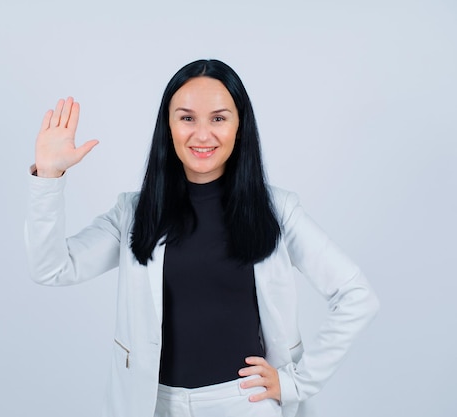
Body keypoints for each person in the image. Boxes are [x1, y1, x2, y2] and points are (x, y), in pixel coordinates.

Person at [25, 59, 379, 417]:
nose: (202, 134)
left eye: (219, 118)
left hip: (243, 403)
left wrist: (297, 382)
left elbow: (356, 296)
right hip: (152, 405)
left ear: (239, 126)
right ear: (169, 126)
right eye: (187, 118)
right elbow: (52, 268)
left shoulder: (278, 210)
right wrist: (49, 178)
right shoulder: (133, 212)